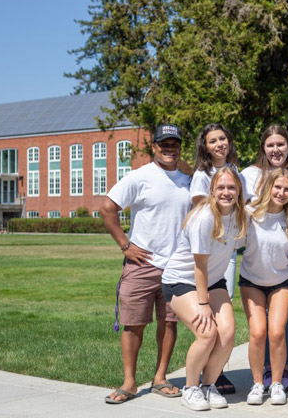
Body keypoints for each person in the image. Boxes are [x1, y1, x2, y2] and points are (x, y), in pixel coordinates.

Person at [101, 124, 191, 404]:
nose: (169, 148)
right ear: (153, 147)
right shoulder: (139, 177)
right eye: (163, 144)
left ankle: (160, 378)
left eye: (174, 144)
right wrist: (126, 246)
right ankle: (129, 381)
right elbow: (107, 208)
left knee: (169, 323)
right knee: (133, 324)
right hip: (143, 264)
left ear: (179, 147)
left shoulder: (189, 179)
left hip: (177, 265)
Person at [161, 167, 247, 411]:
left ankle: (209, 385)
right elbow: (200, 265)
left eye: (231, 187)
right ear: (211, 190)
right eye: (221, 187)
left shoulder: (240, 216)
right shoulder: (204, 217)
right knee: (208, 333)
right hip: (182, 280)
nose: (226, 192)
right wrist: (203, 304)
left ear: (239, 190)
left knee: (228, 333)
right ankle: (191, 388)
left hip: (213, 280)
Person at [241, 125, 288, 391]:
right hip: (260, 257)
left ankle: (283, 371)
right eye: (270, 145)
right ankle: (265, 371)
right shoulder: (249, 174)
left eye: (281, 144)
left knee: (287, 317)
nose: (276, 150)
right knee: (261, 324)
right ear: (263, 148)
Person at [190, 123, 241, 394]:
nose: (219, 144)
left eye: (223, 138)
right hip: (208, 249)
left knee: (224, 311)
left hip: (227, 251)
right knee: (207, 317)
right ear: (205, 146)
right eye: (213, 141)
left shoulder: (235, 171)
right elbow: (203, 211)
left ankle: (216, 371)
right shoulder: (202, 174)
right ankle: (209, 375)